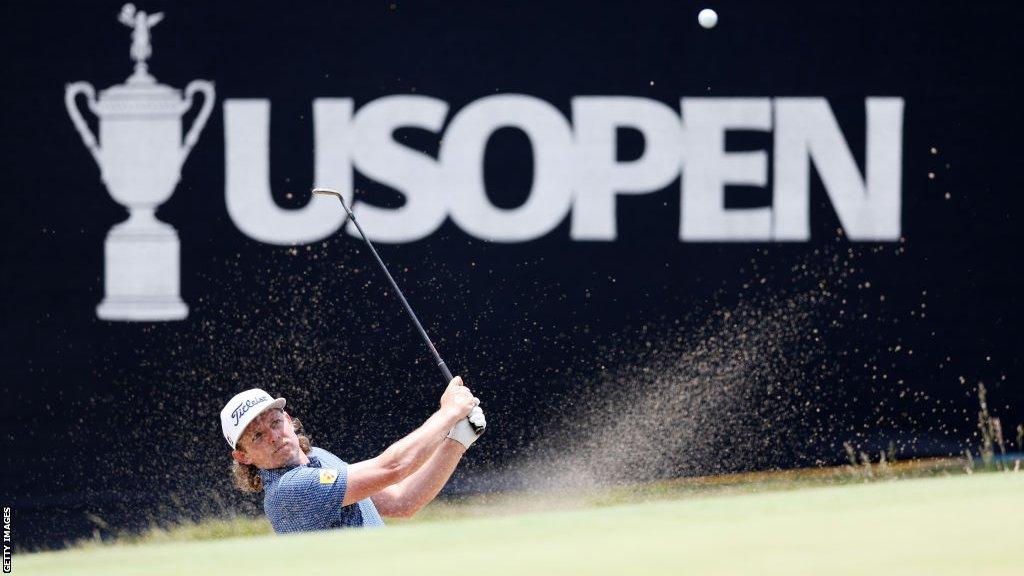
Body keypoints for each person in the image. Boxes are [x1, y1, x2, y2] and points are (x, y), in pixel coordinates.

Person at [220, 377, 486, 533]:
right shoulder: (288, 491)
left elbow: (401, 503)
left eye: (275, 422)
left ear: (288, 419)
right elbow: (392, 468)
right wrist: (449, 412)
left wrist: (457, 440)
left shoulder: (320, 459)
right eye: (257, 436)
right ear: (243, 458)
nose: (274, 436)